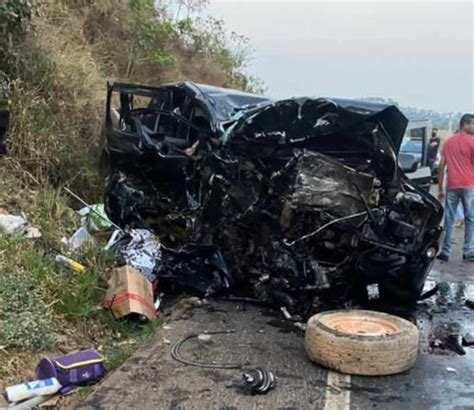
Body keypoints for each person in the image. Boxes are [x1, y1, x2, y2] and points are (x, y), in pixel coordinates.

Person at [437, 114, 474, 262]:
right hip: (469, 185)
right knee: (470, 218)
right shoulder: (472, 143)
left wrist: (440, 188)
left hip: (452, 184)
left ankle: (445, 251)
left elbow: (441, 166)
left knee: (449, 218)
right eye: (472, 124)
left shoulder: (448, 143)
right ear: (465, 124)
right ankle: (468, 251)